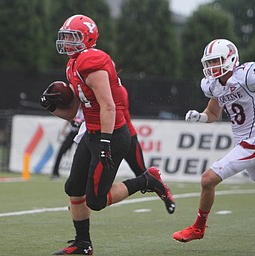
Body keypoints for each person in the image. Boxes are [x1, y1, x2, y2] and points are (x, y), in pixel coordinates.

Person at [40, 14, 175, 255]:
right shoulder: (73, 63)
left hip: (110, 135)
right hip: (93, 132)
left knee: (96, 201)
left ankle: (147, 180)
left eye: (73, 37)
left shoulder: (92, 61)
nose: (68, 42)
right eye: (66, 36)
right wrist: (51, 107)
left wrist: (104, 142)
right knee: (74, 188)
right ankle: (83, 245)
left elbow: (108, 106)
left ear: (88, 38)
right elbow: (73, 112)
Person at [172, 39, 255, 243]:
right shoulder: (214, 86)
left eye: (216, 61)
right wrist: (200, 117)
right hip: (244, 143)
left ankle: (198, 228)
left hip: (254, 141)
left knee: (207, 179)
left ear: (230, 59)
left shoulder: (246, 76)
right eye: (209, 62)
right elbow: (212, 112)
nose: (211, 67)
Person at [51, 108, 84, 179]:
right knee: (61, 151)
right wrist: (64, 128)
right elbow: (69, 119)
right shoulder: (76, 110)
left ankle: (80, 175)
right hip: (72, 132)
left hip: (81, 134)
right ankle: (55, 172)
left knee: (82, 154)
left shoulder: (85, 111)